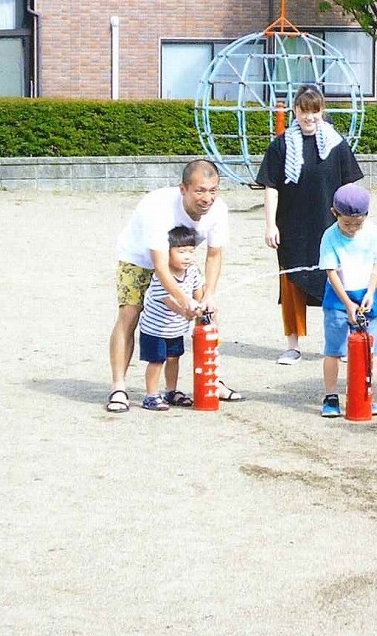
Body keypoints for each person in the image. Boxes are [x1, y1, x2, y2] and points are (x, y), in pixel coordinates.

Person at [108, 159, 232, 413]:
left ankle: (210, 381)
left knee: (207, 313)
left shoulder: (219, 211)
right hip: (138, 258)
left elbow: (214, 255)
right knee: (129, 314)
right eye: (200, 191)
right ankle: (118, 387)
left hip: (182, 258)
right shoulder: (159, 208)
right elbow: (160, 266)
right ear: (183, 189)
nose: (207, 198)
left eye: (213, 190)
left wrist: (207, 295)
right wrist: (183, 301)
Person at [257, 86, 364, 365]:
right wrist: (270, 225)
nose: (310, 118)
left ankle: (340, 342)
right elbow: (271, 187)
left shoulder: (336, 144)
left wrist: (354, 220)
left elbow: (349, 185)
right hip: (291, 226)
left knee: (339, 280)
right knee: (292, 284)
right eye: (304, 111)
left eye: (315, 112)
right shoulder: (281, 145)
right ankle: (292, 345)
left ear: (321, 111)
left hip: (331, 225)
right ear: (296, 111)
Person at [317, 183, 377, 418]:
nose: (352, 229)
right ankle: (331, 396)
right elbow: (331, 272)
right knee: (334, 349)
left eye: (358, 223)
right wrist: (347, 304)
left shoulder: (373, 232)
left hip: (367, 296)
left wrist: (370, 293)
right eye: (346, 223)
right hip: (339, 299)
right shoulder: (330, 236)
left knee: (369, 350)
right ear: (334, 213)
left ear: (366, 215)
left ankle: (366, 394)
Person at [137, 226, 207, 411]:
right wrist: (186, 311)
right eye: (181, 251)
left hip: (175, 329)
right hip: (155, 329)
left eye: (191, 251)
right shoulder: (162, 276)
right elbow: (169, 301)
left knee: (174, 358)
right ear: (167, 254)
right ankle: (151, 396)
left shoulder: (192, 271)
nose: (187, 256)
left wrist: (200, 306)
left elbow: (198, 290)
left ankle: (171, 391)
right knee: (157, 361)